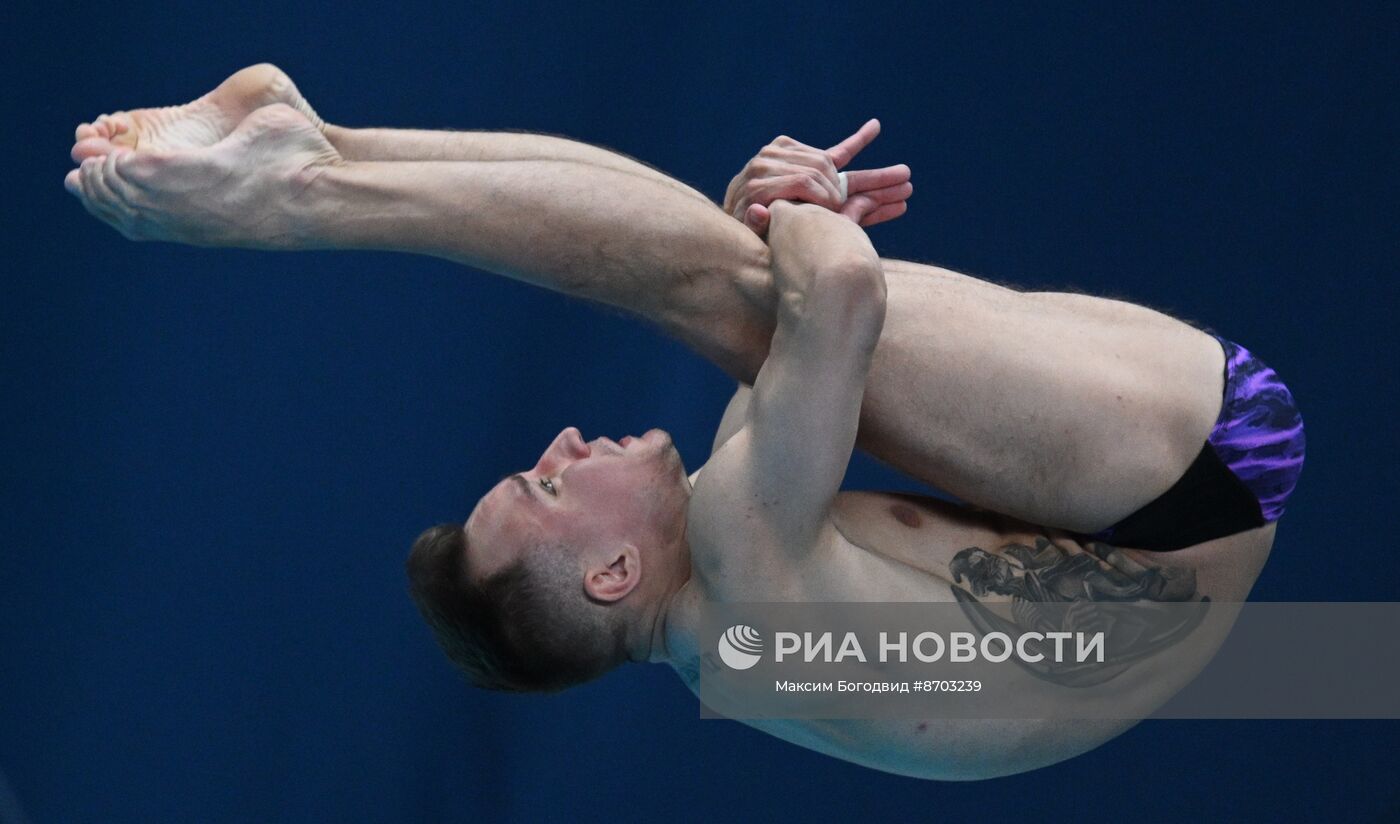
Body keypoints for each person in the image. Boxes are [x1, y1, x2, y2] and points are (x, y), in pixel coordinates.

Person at [66, 64, 1304, 779]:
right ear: (611, 572)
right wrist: (797, 203)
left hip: (1164, 510)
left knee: (737, 282)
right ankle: (306, 187)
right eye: (546, 489)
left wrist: (773, 224)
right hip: (1196, 468)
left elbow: (809, 311)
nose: (556, 448)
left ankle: (326, 149)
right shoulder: (743, 572)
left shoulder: (733, 622)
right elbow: (846, 293)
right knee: (740, 289)